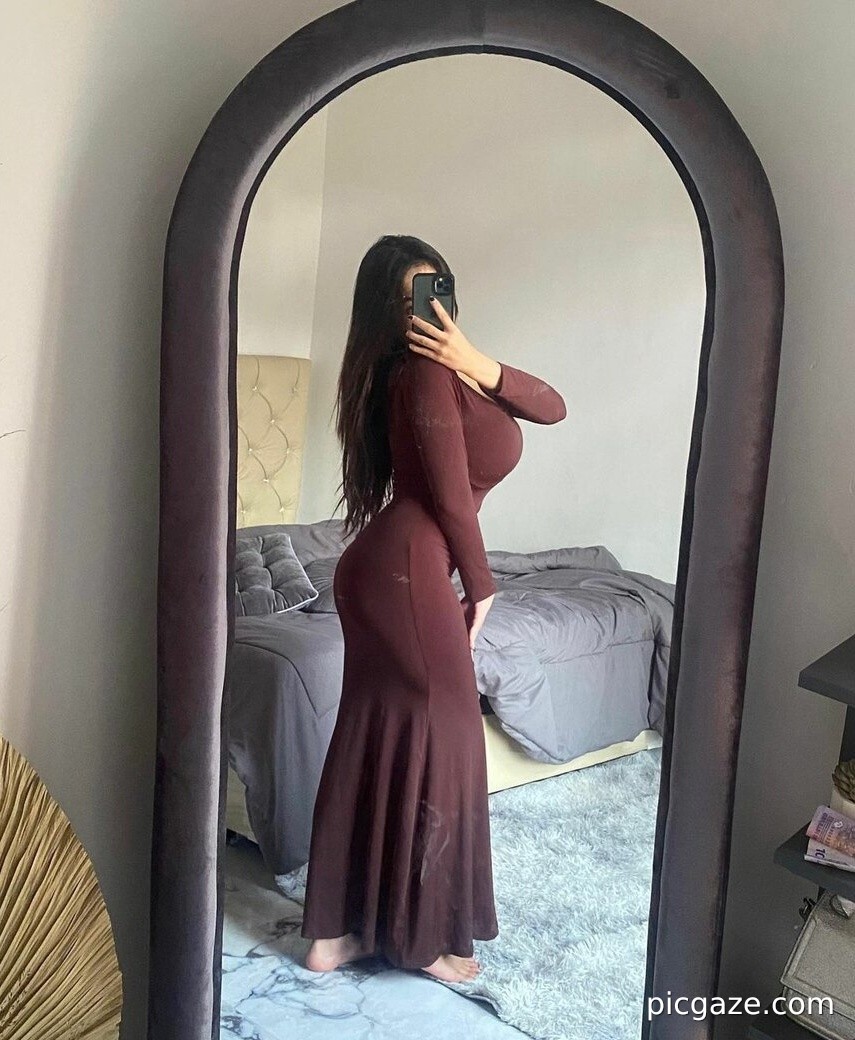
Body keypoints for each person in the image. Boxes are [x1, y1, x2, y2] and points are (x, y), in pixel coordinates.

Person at [301, 234, 567, 983]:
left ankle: (336, 934)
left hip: (387, 571)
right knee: (449, 743)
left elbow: (553, 407)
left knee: (373, 735)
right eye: (408, 298)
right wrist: (481, 585)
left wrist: (474, 358)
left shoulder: (452, 373)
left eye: (435, 288)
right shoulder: (418, 376)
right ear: (386, 313)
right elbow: (450, 496)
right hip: (406, 575)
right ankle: (425, 940)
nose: (425, 309)